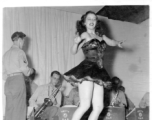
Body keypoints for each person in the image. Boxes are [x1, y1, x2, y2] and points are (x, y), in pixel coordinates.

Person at [64, 11, 123, 120]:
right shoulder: (84, 34)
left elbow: (111, 42)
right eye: (89, 19)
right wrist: (75, 43)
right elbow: (73, 51)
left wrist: (117, 43)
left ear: (96, 22)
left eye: (94, 19)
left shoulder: (101, 36)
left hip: (99, 71)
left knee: (99, 107)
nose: (91, 21)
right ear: (84, 23)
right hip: (87, 70)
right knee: (85, 105)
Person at [3, 31, 34, 120]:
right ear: (20, 40)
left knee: (10, 109)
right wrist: (30, 71)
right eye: (23, 41)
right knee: (19, 109)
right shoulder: (20, 52)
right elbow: (25, 70)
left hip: (8, 83)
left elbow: (3, 73)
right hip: (17, 81)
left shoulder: (6, 54)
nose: (23, 44)